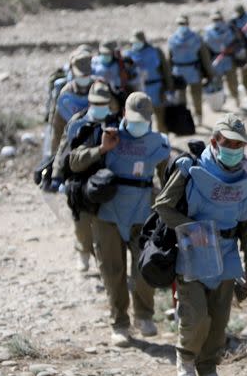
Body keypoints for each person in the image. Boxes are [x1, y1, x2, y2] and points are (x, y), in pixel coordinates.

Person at [154, 113, 247, 376]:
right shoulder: (191, 170)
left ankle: (207, 367)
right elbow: (163, 208)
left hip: (226, 258)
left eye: (239, 144)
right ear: (214, 141)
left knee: (218, 326)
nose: (233, 149)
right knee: (196, 319)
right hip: (193, 254)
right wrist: (194, 230)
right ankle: (185, 357)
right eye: (228, 142)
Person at [69, 92, 171, 346]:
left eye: (143, 120)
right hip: (108, 216)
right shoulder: (106, 134)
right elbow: (74, 162)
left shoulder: (159, 143)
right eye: (133, 118)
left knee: (143, 270)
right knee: (112, 272)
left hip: (142, 216)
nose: (137, 124)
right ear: (124, 114)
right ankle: (120, 324)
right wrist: (102, 149)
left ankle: (145, 316)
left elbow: (169, 181)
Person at [50, 81, 120, 272]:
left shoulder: (116, 123)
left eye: (103, 103)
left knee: (105, 228)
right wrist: (56, 175)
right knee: (82, 225)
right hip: (80, 180)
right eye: (96, 103)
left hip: (107, 181)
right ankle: (83, 251)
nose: (100, 107)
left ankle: (106, 264)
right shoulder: (76, 123)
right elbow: (63, 150)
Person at [124, 30, 174, 132]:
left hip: (157, 88)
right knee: (143, 119)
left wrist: (169, 86)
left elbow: (166, 70)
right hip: (139, 91)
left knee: (161, 118)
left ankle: (163, 141)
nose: (135, 44)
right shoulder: (128, 55)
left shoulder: (156, 51)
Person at [168, 14, 214, 126]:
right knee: (182, 99)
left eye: (183, 23)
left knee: (196, 96)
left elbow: (205, 58)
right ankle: (185, 119)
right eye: (180, 24)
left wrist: (209, 73)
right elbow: (169, 59)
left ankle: (198, 116)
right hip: (182, 73)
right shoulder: (173, 39)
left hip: (191, 71)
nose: (182, 26)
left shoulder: (195, 38)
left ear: (188, 24)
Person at [50, 51, 93, 154]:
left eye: (86, 75)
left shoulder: (99, 89)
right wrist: (54, 155)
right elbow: (58, 128)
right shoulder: (66, 95)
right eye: (81, 75)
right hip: (70, 145)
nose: (84, 78)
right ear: (73, 73)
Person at [203, 12, 243, 109]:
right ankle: (220, 102)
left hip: (228, 59)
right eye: (215, 20)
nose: (217, 22)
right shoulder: (208, 32)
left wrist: (232, 49)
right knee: (217, 83)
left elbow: (238, 43)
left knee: (232, 81)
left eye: (218, 20)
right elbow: (205, 49)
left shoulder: (230, 29)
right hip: (216, 61)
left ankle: (236, 97)